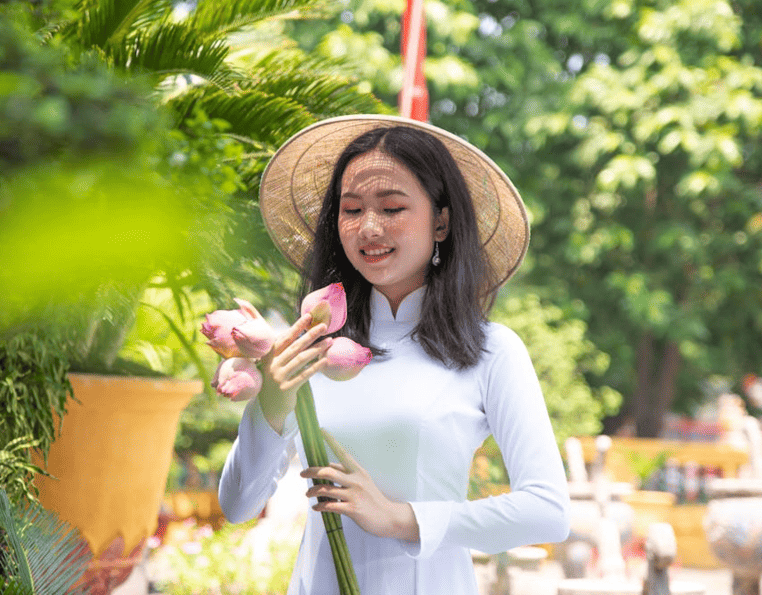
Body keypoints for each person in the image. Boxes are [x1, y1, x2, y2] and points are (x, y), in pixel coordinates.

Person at [218, 115, 571, 594]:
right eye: (351, 209)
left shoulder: (491, 351)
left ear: (441, 222)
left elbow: (548, 512)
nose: (369, 228)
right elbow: (237, 506)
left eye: (392, 207)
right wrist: (273, 403)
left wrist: (402, 519)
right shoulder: (306, 348)